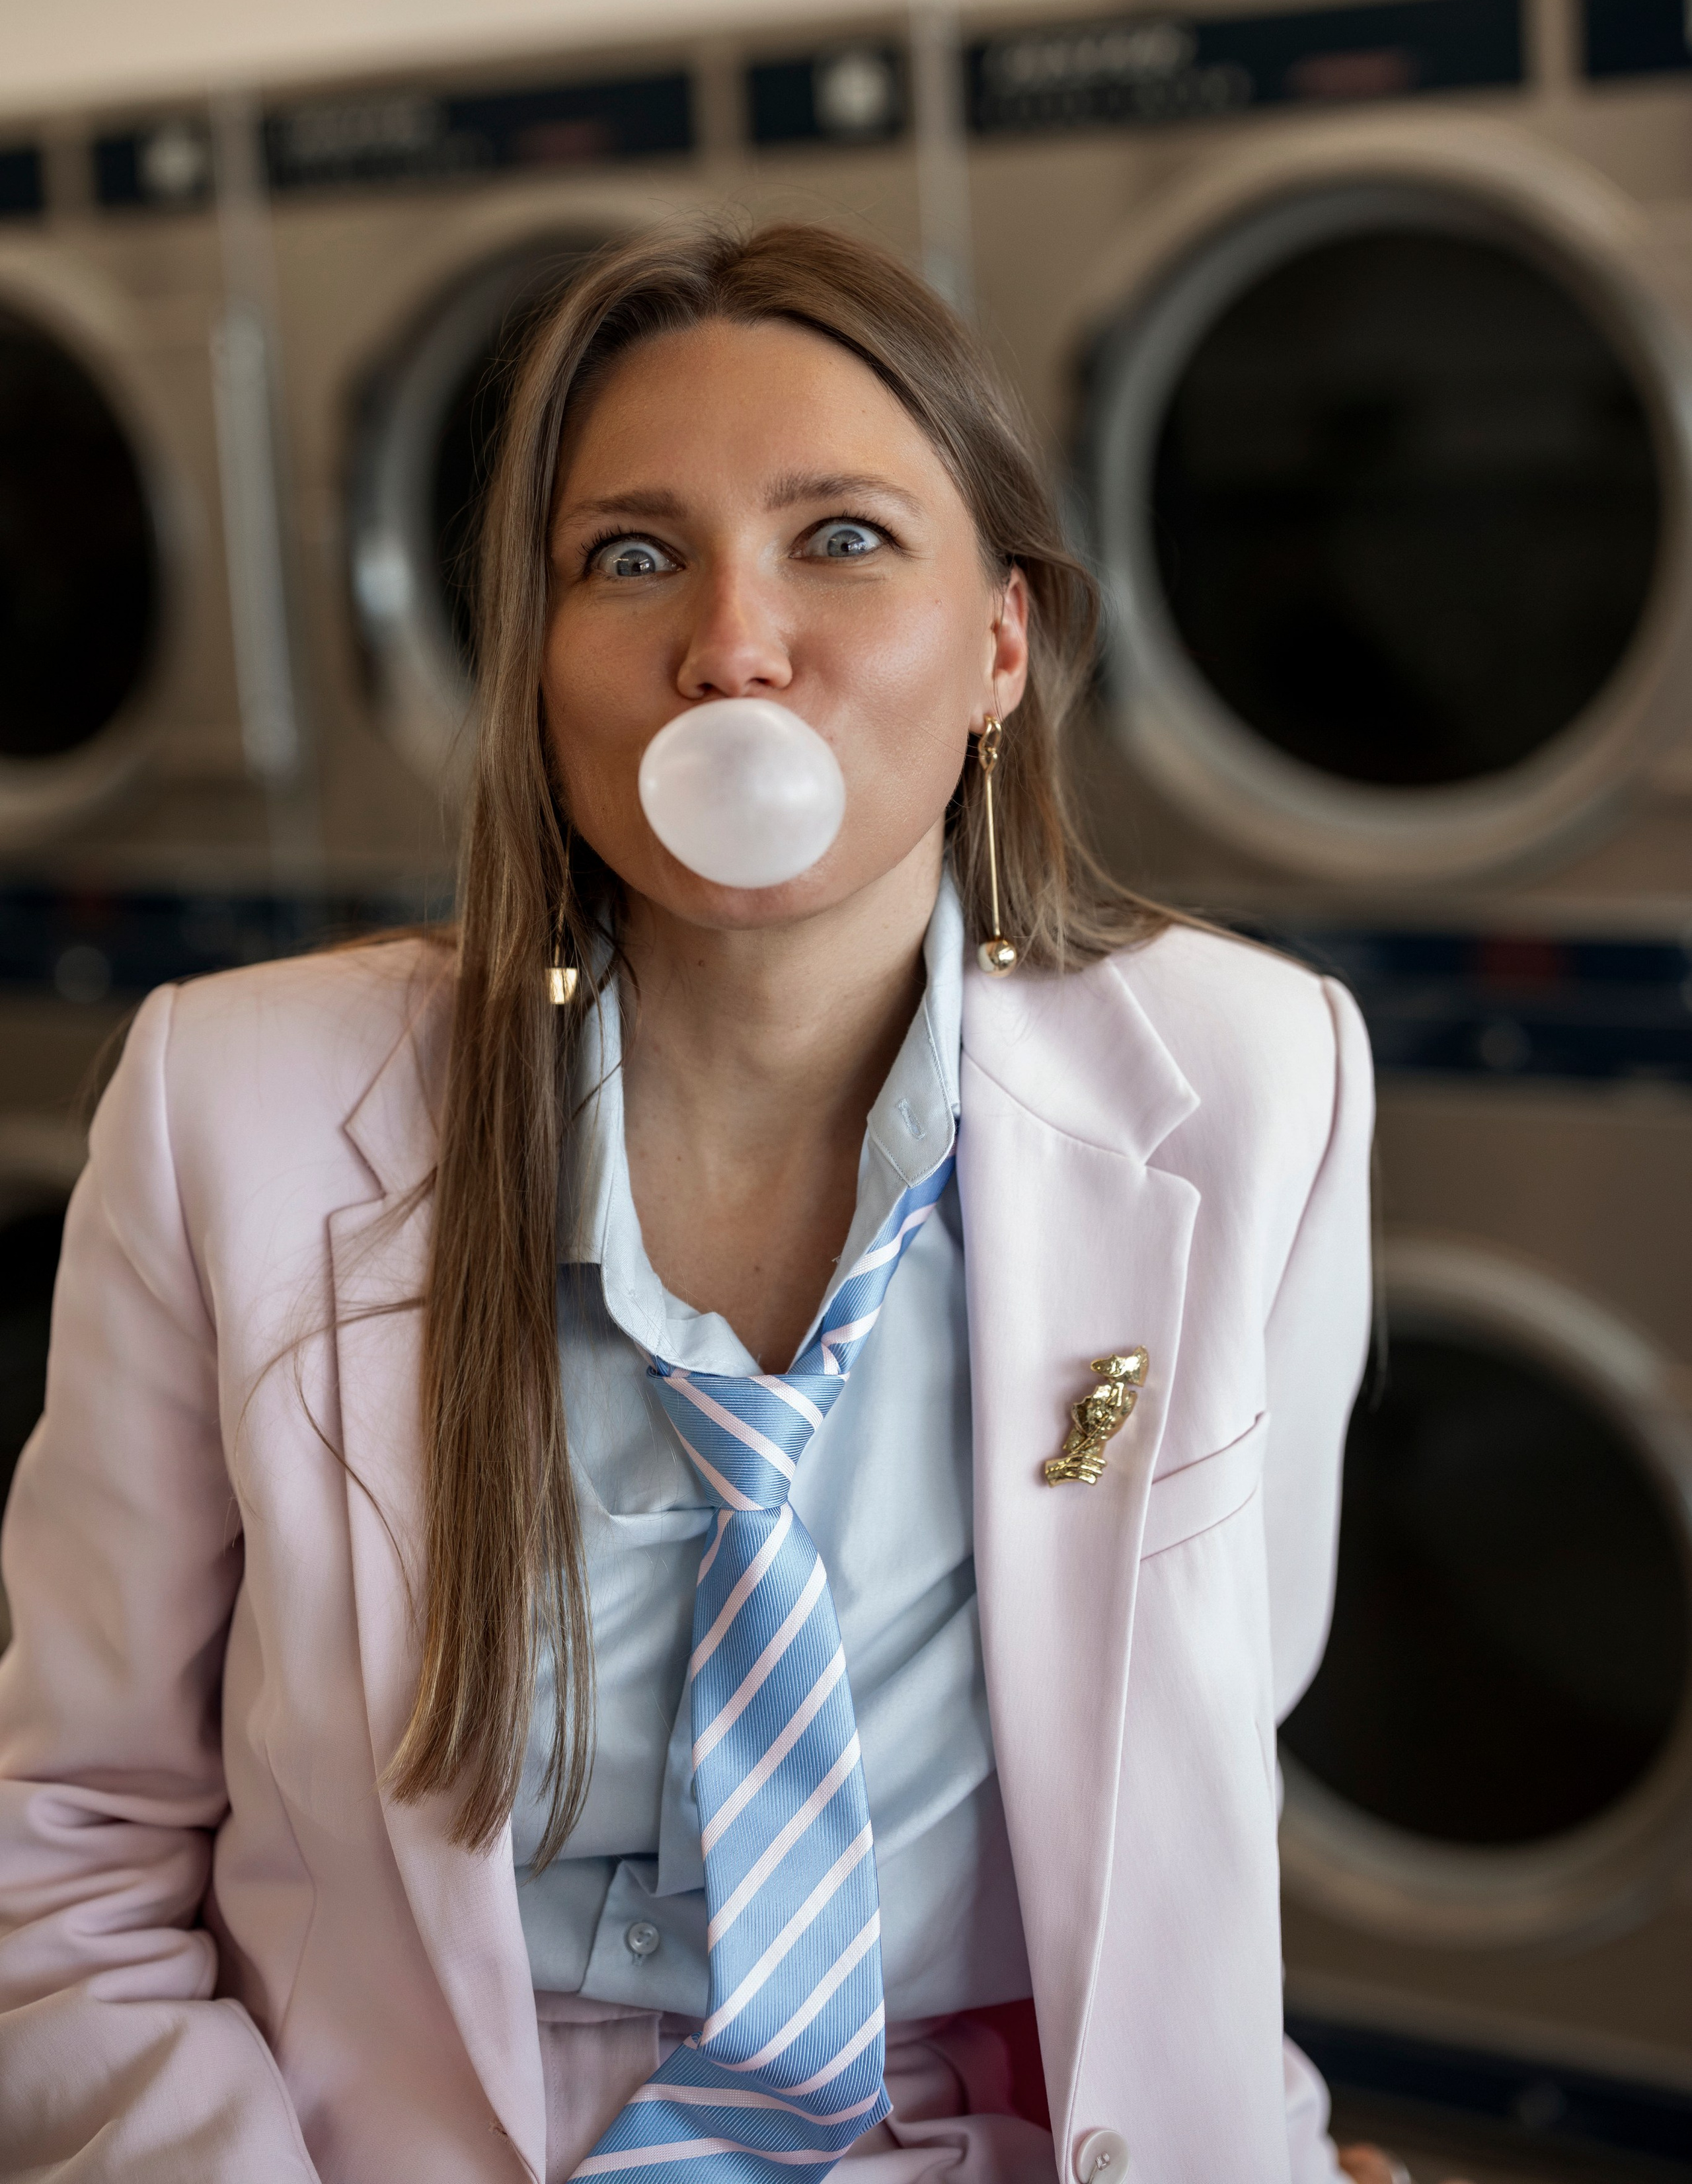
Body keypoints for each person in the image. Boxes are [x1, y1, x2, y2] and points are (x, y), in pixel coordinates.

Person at [0, 224, 1441, 2183]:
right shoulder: (229, 1106)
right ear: (534, 667)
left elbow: (1192, 1792)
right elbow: (67, 1845)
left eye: (841, 539)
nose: (734, 646)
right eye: (630, 557)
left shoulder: (1250, 1084)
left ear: (1001, 647)